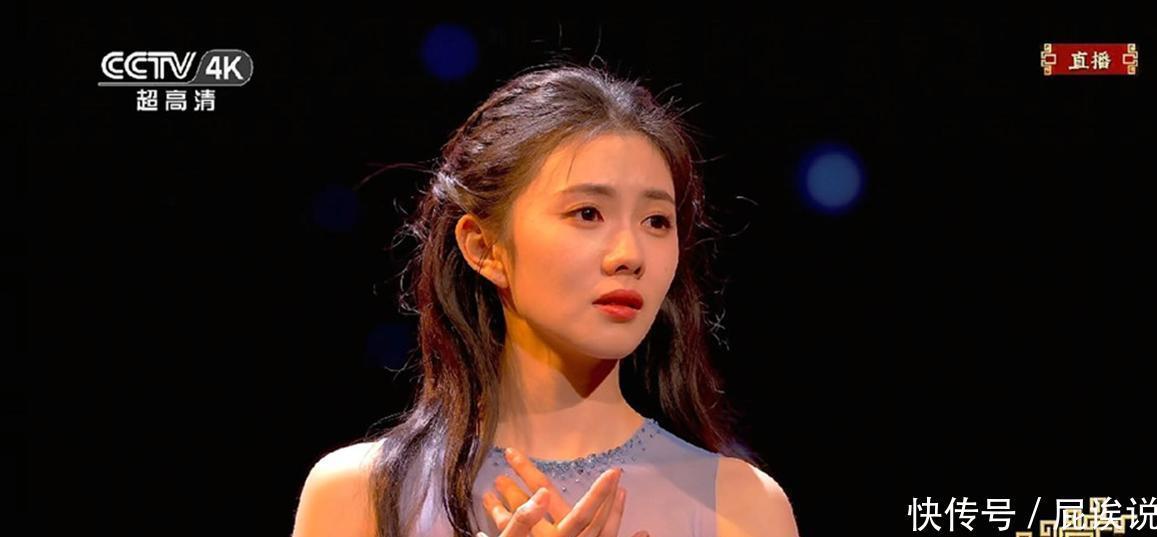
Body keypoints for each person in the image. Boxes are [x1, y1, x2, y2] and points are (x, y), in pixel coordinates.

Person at [291, 63, 799, 537]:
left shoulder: (743, 508)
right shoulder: (360, 495)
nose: (630, 255)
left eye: (656, 221)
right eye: (587, 213)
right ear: (484, 247)